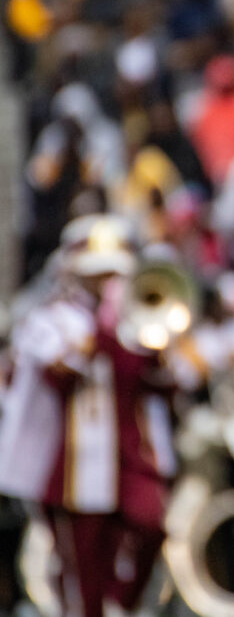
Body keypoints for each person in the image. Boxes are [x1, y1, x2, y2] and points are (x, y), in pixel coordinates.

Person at [0, 214, 175, 617]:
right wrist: (101, 329)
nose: (107, 282)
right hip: (74, 467)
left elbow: (163, 379)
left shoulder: (131, 320)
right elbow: (59, 371)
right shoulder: (49, 319)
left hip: (130, 455)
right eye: (100, 273)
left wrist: (155, 345)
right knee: (83, 569)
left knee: (152, 524)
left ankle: (122, 602)